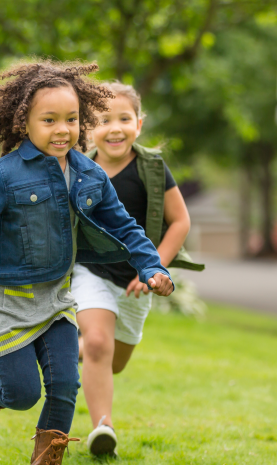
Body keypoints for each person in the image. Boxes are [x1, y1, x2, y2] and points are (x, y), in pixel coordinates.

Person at [0, 60, 175, 465]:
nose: (63, 129)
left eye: (72, 119)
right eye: (49, 120)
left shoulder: (89, 173)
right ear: (24, 123)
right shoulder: (6, 174)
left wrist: (152, 266)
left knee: (64, 384)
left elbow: (126, 227)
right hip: (8, 300)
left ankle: (48, 457)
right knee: (23, 393)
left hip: (57, 297)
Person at [73, 81, 204, 456]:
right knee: (99, 343)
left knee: (114, 362)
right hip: (88, 272)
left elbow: (180, 222)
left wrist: (152, 269)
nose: (115, 128)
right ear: (87, 128)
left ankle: (75, 348)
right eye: (103, 119)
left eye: (124, 118)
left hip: (136, 281)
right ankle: (103, 427)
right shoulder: (77, 169)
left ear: (139, 124)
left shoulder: (151, 168)